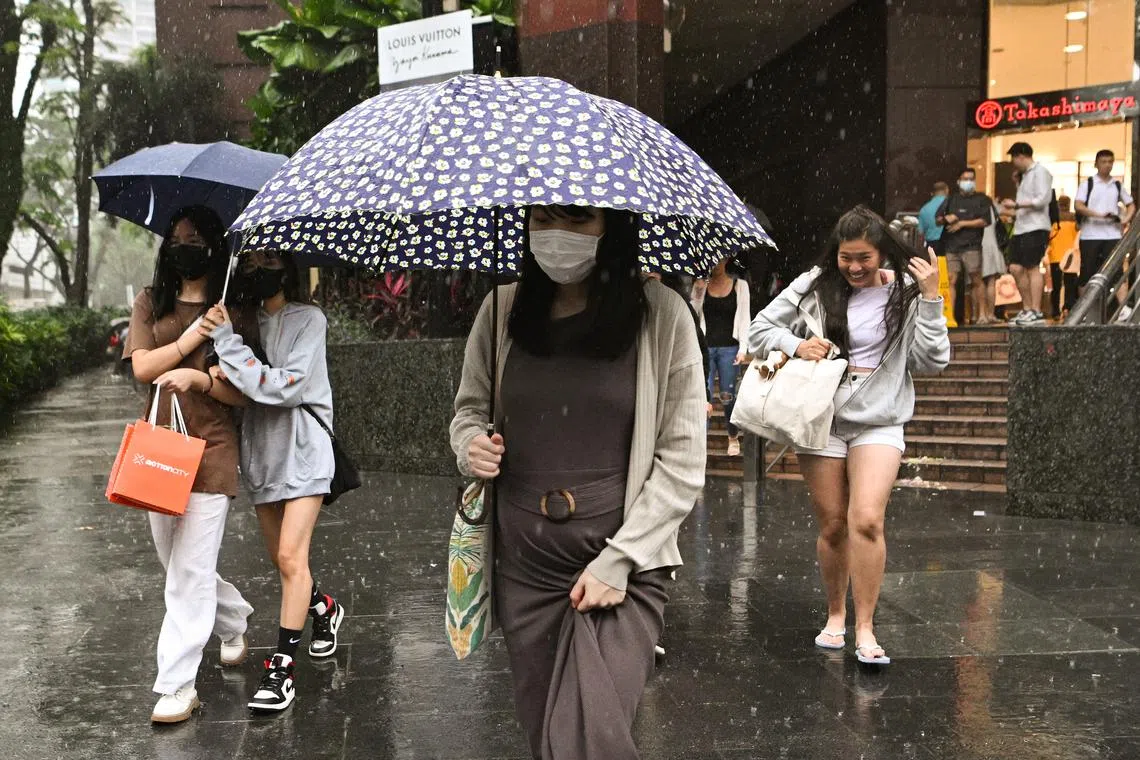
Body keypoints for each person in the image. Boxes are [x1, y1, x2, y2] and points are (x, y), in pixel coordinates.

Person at [450, 204, 705, 759]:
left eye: (578, 219)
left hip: (622, 568)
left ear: (612, 227)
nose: (557, 235)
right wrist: (470, 445)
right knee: (546, 734)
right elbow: (468, 411)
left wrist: (620, 561)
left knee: (589, 740)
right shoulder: (501, 310)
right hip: (525, 566)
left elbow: (683, 459)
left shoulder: (662, 314)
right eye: (541, 220)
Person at [747, 206, 950, 666]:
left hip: (880, 418)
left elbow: (932, 361)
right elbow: (760, 329)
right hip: (822, 415)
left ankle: (866, 627)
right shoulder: (815, 284)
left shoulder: (905, 292)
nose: (855, 267)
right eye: (846, 258)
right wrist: (796, 344)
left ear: (882, 254)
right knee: (834, 524)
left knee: (866, 519)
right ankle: (836, 613)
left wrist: (932, 298)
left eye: (864, 257)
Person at [122, 206, 255, 724]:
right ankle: (234, 618)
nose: (185, 247)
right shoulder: (150, 302)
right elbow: (142, 368)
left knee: (188, 573)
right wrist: (192, 338)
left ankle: (178, 685)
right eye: (176, 239)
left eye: (195, 239)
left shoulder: (234, 311)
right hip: (160, 451)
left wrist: (204, 377)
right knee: (177, 566)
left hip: (214, 452)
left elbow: (242, 394)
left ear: (213, 247)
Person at [200, 251, 344, 713]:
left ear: (286, 268)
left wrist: (229, 347)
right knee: (283, 562)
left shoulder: (310, 319)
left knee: (288, 555)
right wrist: (219, 359)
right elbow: (243, 390)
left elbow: (285, 386)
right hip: (260, 453)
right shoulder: (240, 322)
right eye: (250, 261)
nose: (257, 270)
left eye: (268, 260)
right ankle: (323, 607)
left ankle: (282, 668)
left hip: (305, 448)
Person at [691, 257, 751, 456]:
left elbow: (744, 318)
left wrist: (743, 348)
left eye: (717, 259)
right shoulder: (701, 284)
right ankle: (700, 444)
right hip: (705, 348)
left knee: (727, 396)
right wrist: (699, 289)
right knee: (703, 395)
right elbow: (692, 313)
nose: (713, 263)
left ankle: (732, 435)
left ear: (726, 260)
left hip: (729, 348)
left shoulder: (739, 286)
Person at [1075, 149, 1135, 305]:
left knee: (1116, 271)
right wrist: (1098, 215)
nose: (1107, 165)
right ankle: (1084, 309)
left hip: (1112, 234)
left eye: (1110, 162)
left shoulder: (1116, 185)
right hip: (1090, 234)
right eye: (1104, 162)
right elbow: (1078, 205)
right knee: (1087, 272)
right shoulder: (1087, 184)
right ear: (1096, 164)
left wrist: (1125, 219)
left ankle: (1122, 308)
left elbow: (1131, 205)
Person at [937, 169, 994, 326]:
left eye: (970, 179)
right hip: (951, 246)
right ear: (958, 181)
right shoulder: (951, 199)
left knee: (976, 278)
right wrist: (946, 219)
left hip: (972, 245)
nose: (968, 182)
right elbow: (938, 219)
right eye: (964, 179)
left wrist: (961, 223)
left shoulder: (982, 199)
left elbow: (984, 221)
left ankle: (982, 314)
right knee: (951, 280)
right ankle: (949, 316)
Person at [1007, 142, 1054, 325]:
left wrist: (1017, 205)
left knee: (1032, 266)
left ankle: (1036, 310)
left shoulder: (1040, 171)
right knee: (1015, 268)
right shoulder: (1024, 176)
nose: (1013, 163)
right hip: (1021, 227)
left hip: (1036, 227)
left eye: (1014, 158)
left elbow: (1043, 199)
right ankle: (1027, 308)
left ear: (1021, 156)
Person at [1046, 195, 1079, 319]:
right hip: (1071, 257)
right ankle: (1068, 308)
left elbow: (1048, 237)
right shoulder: (1074, 217)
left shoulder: (1052, 218)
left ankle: (1055, 311)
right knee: (1070, 285)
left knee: (1056, 285)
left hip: (1055, 255)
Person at [918, 181, 949, 255]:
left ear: (933, 192)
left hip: (931, 247)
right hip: (949, 245)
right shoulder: (951, 204)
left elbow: (920, 234)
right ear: (947, 190)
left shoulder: (924, 209)